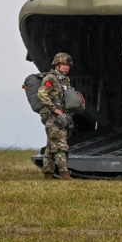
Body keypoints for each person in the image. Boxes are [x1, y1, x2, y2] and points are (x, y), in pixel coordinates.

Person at [37, 51, 76, 180]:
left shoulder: (65, 80)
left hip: (60, 114)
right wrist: (54, 109)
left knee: (51, 146)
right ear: (57, 65)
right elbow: (42, 94)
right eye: (63, 64)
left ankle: (48, 175)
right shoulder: (51, 78)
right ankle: (64, 174)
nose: (66, 67)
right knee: (60, 144)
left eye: (68, 65)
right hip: (53, 116)